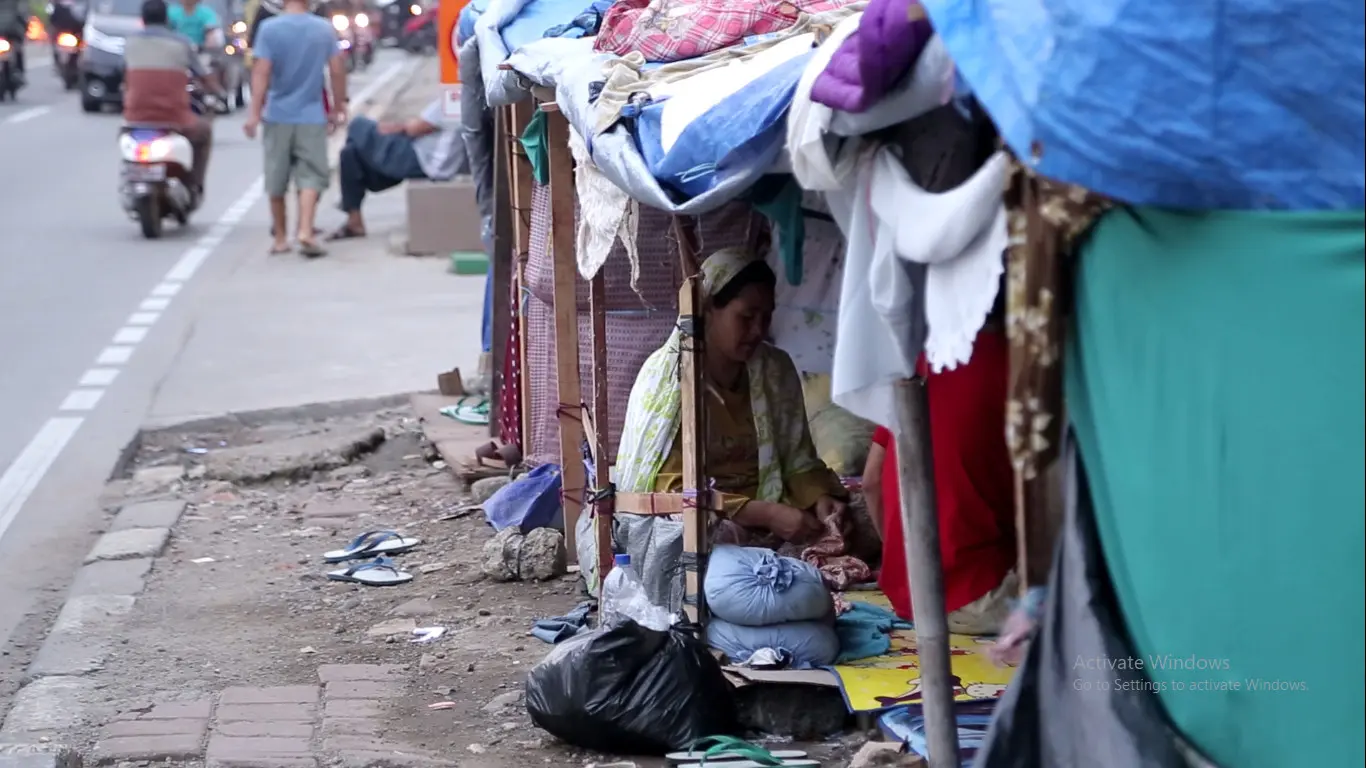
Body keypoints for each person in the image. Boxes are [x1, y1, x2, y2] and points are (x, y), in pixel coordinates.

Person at [615, 248, 850, 547]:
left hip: (774, 505)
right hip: (710, 517)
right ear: (709, 308)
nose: (758, 331)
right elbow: (670, 491)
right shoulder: (670, 378)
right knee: (705, 541)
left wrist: (820, 498)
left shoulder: (775, 369)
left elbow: (797, 459)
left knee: (862, 519)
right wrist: (764, 515)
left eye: (766, 318)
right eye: (747, 317)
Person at [862, 326, 1017, 636]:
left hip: (909, 596)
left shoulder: (913, 361)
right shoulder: (1017, 361)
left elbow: (871, 481)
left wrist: (902, 562)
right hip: (977, 594)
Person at [244, 0, 346, 257]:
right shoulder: (324, 29)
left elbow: (261, 72)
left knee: (276, 177)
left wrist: (254, 114)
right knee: (311, 175)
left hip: (277, 114)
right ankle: (305, 230)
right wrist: (337, 106)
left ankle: (280, 238)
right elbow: (336, 70)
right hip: (312, 115)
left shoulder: (269, 29)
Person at [325, 98, 466, 240]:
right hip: (435, 162)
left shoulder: (451, 102)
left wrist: (397, 127)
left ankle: (347, 199)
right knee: (349, 153)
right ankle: (354, 221)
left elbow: (414, 129)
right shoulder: (469, 104)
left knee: (358, 125)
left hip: (422, 159)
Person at [123, 0, 219, 194]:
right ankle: (195, 184)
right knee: (204, 132)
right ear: (167, 19)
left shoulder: (130, 43)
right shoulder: (180, 43)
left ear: (143, 19)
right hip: (174, 117)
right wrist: (217, 91)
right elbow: (202, 73)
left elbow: (121, 71)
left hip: (135, 117)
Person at [0, 0, 24, 85]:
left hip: (12, 34)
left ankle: (19, 72)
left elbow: (22, 14)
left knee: (18, 49)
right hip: (10, 33)